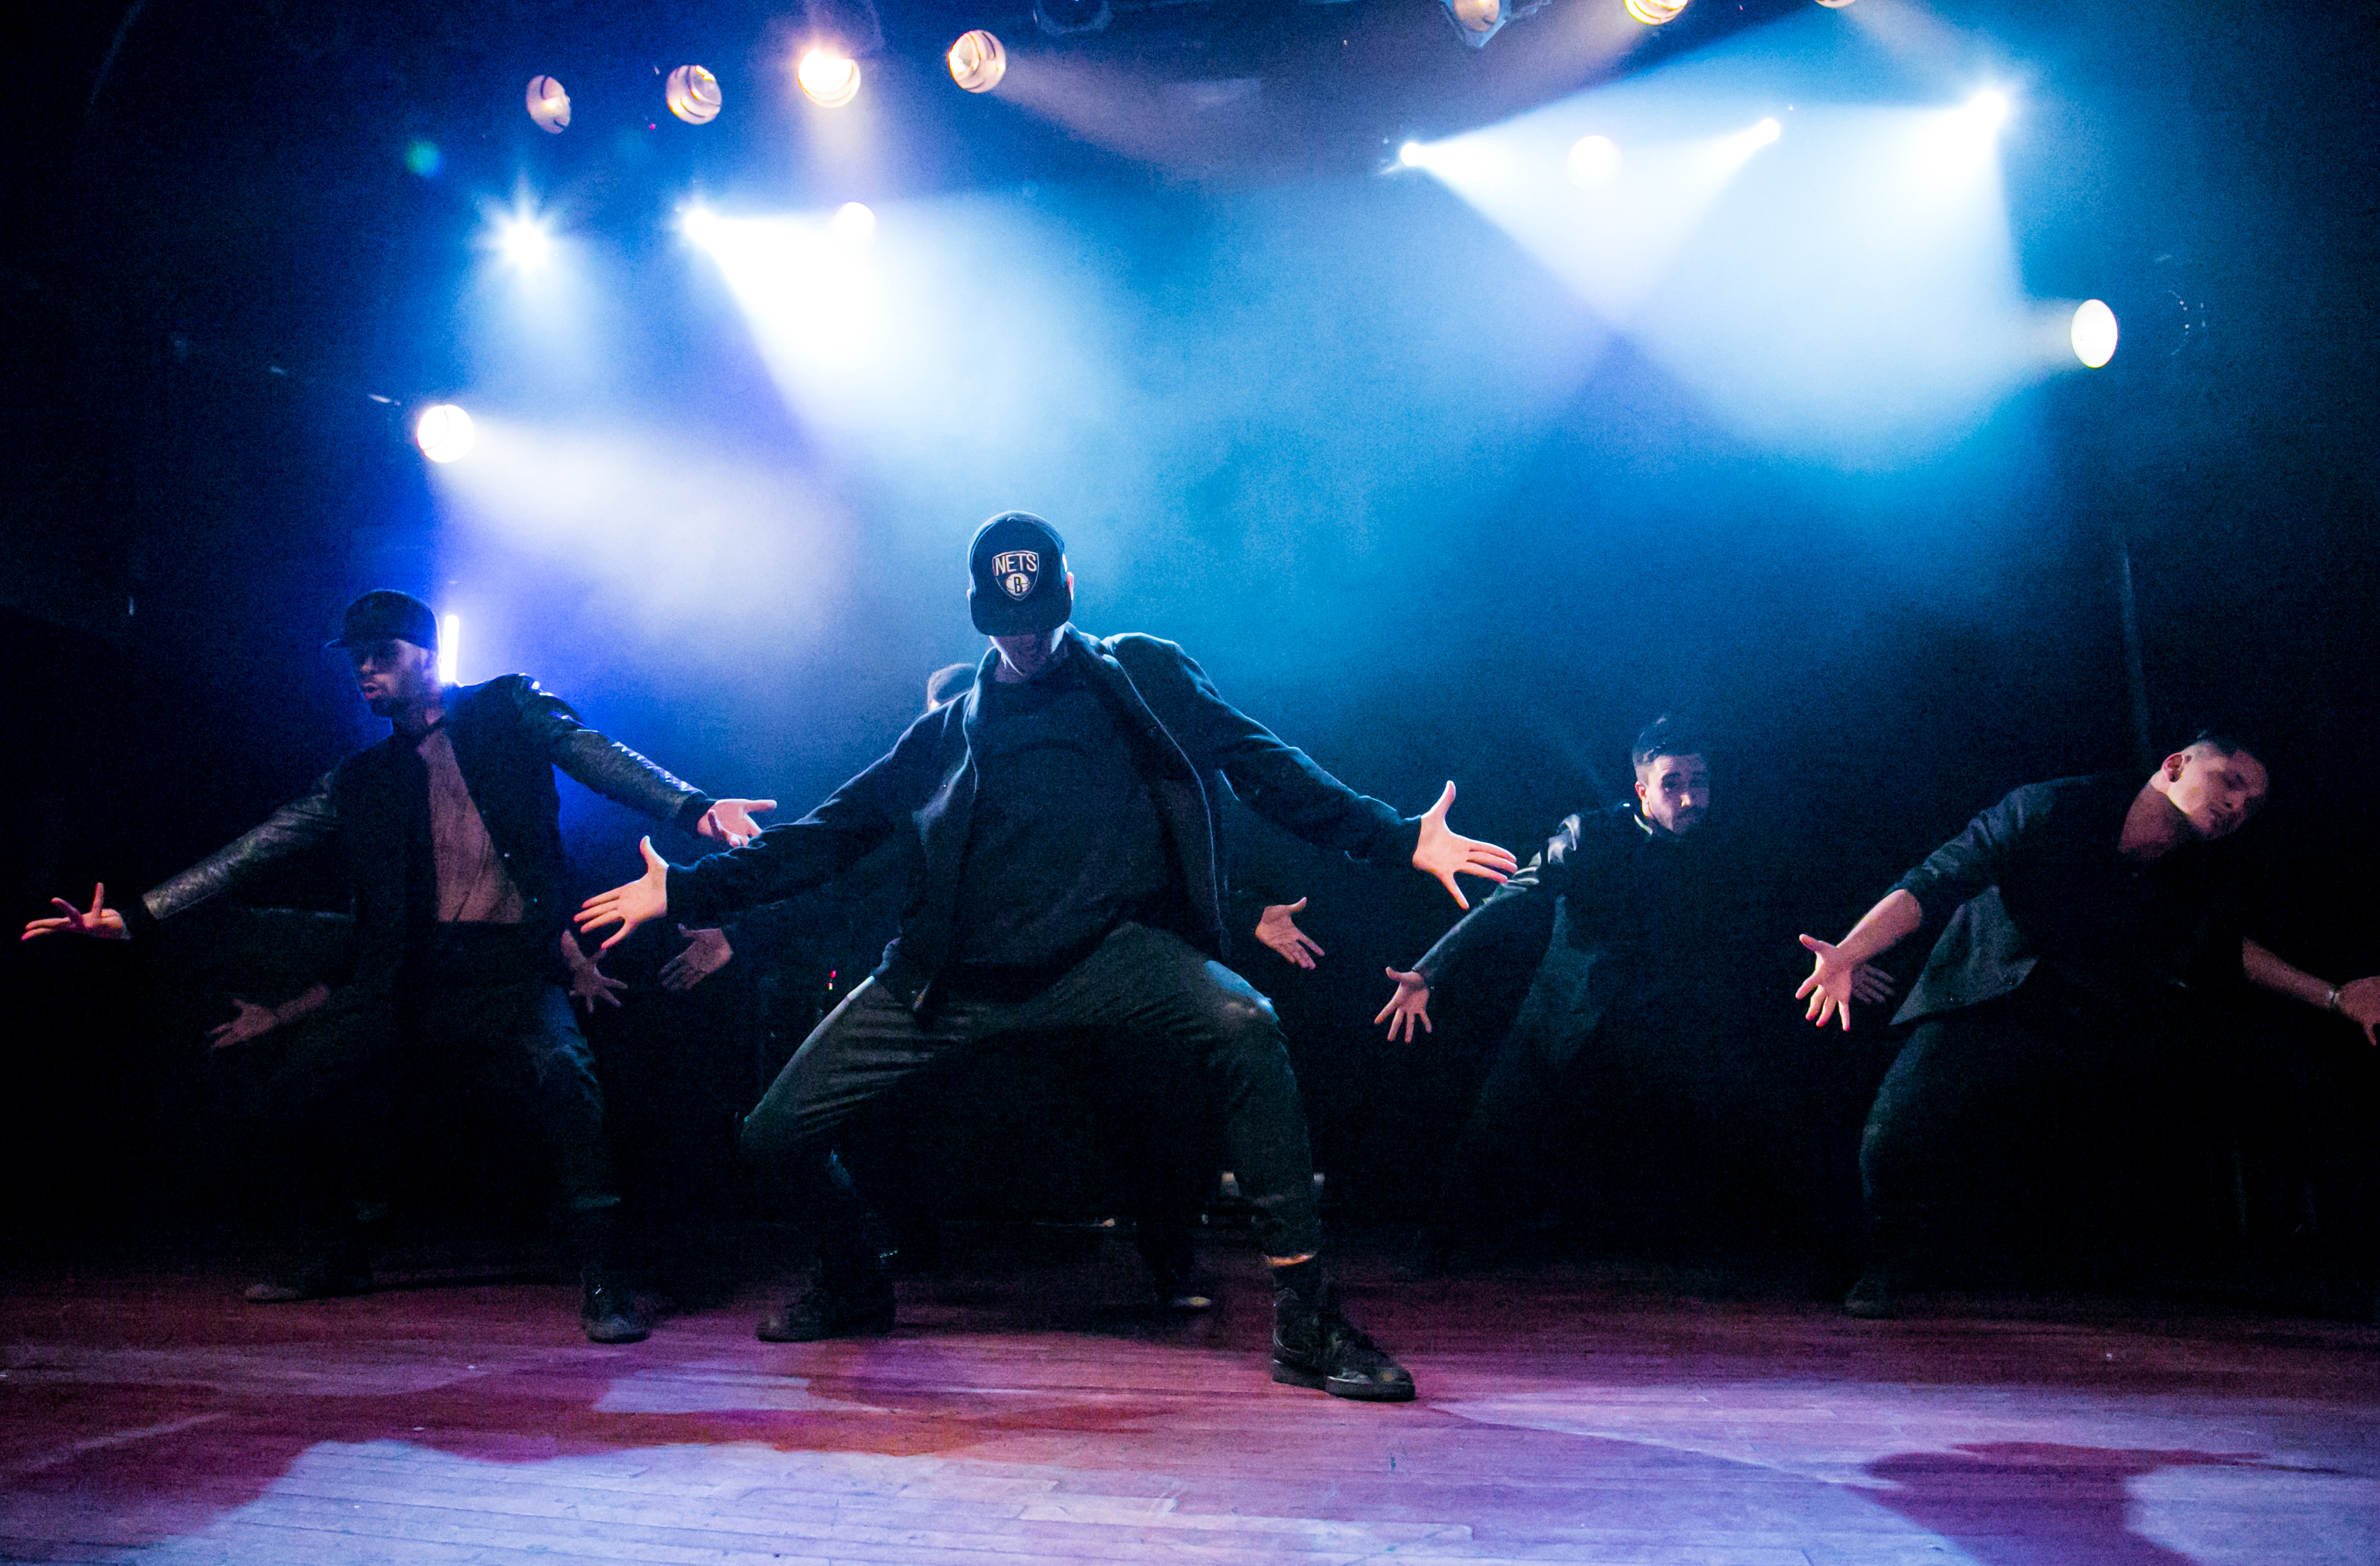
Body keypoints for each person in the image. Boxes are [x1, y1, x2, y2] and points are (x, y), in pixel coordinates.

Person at [576, 512, 1517, 1400]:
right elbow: (825, 838)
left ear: (1068, 590)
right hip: (953, 981)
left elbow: (1261, 764)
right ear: (980, 617)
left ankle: (1308, 1325)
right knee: (771, 1132)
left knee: (1245, 1022)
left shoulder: (1143, 675)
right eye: (1007, 625)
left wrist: (1397, 839)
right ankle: (855, 1281)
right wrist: (688, 890)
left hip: (1113, 959)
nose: (1026, 641)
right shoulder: (945, 732)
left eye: (1041, 618)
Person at [23, 590, 775, 1343]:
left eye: (381, 654)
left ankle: (605, 1282)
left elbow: (594, 754)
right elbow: (260, 846)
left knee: (565, 1080)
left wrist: (694, 808)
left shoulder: (508, 708)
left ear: (431, 653)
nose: (365, 671)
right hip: (410, 973)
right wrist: (139, 914)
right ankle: (338, 1253)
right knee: (297, 1086)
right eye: (356, 660)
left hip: (509, 969)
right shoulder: (362, 777)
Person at [1795, 734, 2380, 1317]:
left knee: (2287, 1077)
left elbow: (2220, 951)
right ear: (2175, 765)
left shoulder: (2193, 872)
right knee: (1895, 1129)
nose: (2238, 806)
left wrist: (2333, 997)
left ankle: (2349, 1271)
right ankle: (1886, 1263)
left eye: (2252, 804)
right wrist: (1847, 951)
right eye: (2232, 782)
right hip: (1991, 999)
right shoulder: (2053, 808)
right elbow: (1938, 879)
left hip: (2096, 1017)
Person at [1376, 717, 1894, 1273]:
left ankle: (1844, 1261)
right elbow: (1514, 898)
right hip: (1568, 1016)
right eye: (1673, 783)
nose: (1691, 797)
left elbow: (1763, 929)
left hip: (1669, 1026)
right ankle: (1438, 1246)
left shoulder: (1724, 852)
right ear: (1643, 790)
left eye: (1700, 782)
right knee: (1494, 1127)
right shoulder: (1588, 836)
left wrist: (1838, 959)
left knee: (1756, 1120)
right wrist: (1430, 970)